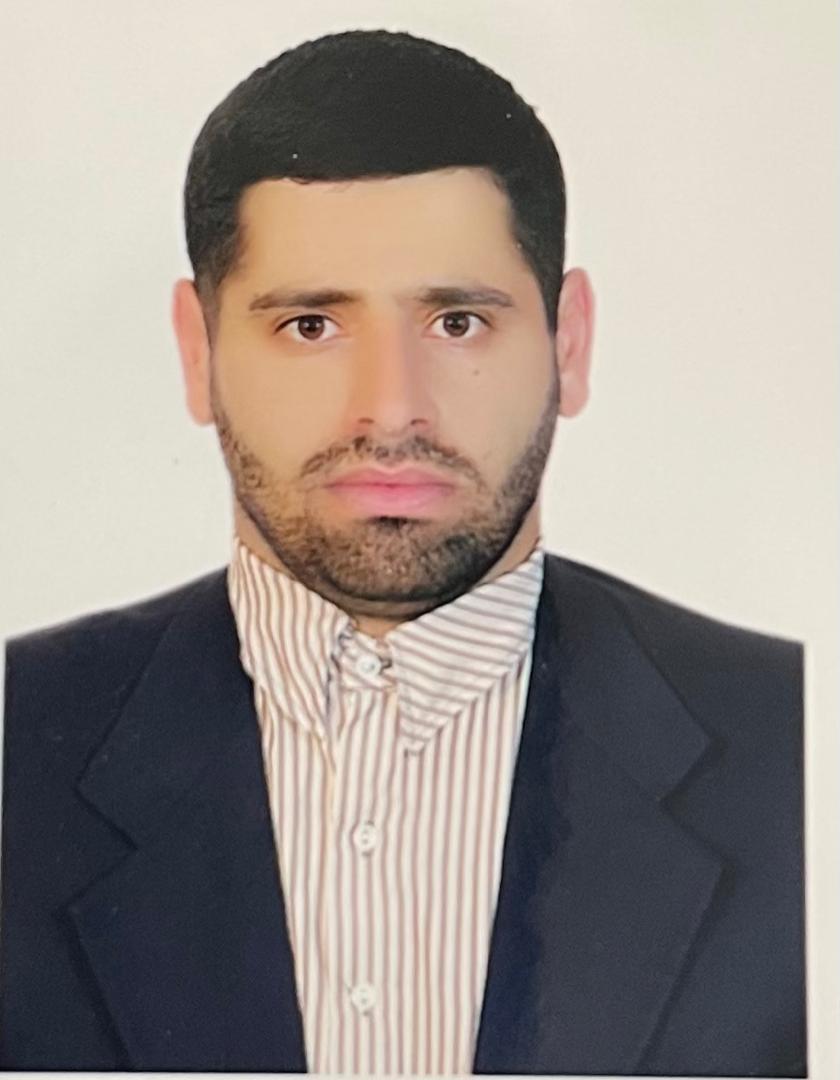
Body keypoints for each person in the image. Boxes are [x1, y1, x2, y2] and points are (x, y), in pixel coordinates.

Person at [0, 28, 805, 1077]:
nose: (390, 409)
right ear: (198, 352)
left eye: (458, 322)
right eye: (310, 326)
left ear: (568, 343)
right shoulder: (18, 743)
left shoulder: (799, 744)